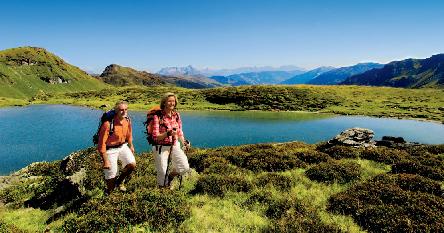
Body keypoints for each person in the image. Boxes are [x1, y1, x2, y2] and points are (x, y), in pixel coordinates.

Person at [152, 92, 190, 188]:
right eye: (169, 101)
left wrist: (184, 142)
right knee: (162, 172)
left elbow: (179, 131)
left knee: (184, 167)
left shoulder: (176, 115)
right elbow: (155, 136)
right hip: (161, 147)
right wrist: (167, 133)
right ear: (164, 103)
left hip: (174, 145)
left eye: (173, 101)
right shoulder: (158, 116)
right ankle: (163, 191)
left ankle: (170, 177)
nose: (172, 103)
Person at [97, 100, 136, 194]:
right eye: (121, 110)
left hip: (122, 146)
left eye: (126, 109)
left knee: (132, 164)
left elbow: (129, 135)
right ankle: (109, 192)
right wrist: (105, 160)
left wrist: (131, 146)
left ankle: (120, 182)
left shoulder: (127, 120)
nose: (124, 111)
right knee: (111, 175)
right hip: (110, 150)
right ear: (116, 111)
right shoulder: (108, 124)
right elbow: (101, 144)